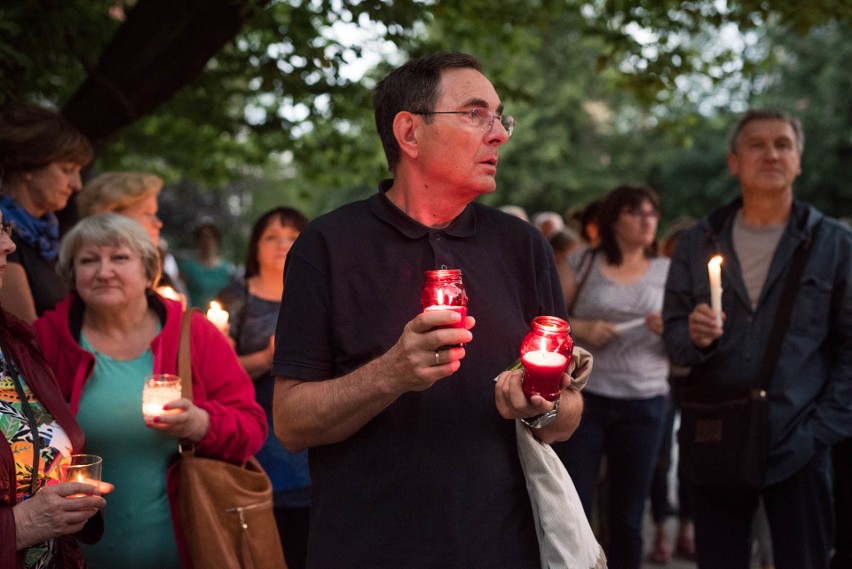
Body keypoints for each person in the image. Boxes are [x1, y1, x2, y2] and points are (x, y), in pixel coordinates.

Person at [272, 52, 588, 568]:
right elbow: (289, 423)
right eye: (474, 114)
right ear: (409, 133)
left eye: (499, 116)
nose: (500, 134)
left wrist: (542, 403)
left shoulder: (522, 246)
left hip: (502, 547)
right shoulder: (328, 245)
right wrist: (391, 373)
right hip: (367, 547)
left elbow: (565, 417)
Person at [662, 109, 852, 568]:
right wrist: (694, 335)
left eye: (783, 144)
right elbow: (674, 338)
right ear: (734, 162)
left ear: (799, 160)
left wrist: (820, 429)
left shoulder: (832, 243)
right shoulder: (698, 241)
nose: (771, 153)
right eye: (757, 144)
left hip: (799, 438)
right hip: (718, 436)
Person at [33, 213, 267, 569]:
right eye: (88, 260)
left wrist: (201, 424)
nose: (103, 271)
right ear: (71, 275)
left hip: (184, 546)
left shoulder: (195, 335)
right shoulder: (45, 339)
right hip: (74, 553)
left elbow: (252, 427)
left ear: (148, 271)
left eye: (119, 258)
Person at [552, 184, 669, 569]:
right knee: (576, 507)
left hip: (645, 402)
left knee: (627, 515)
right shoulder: (582, 263)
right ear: (614, 218)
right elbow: (549, 319)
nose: (647, 220)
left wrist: (670, 329)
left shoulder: (668, 271)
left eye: (652, 213)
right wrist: (582, 327)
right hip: (587, 401)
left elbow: (689, 336)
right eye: (637, 212)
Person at [0, 209, 109, 568]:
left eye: (5, 227)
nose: (9, 244)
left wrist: (67, 502)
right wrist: (19, 525)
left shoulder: (16, 343)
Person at [216, 206, 310, 569]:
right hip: (255, 431)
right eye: (272, 236)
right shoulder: (234, 299)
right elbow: (216, 374)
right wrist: (266, 359)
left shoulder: (317, 293)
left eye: (292, 236)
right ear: (255, 245)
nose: (282, 244)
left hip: (307, 433)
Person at [0, 103, 94, 324]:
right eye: (67, 170)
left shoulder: (46, 237)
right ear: (30, 167)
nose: (77, 184)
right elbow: (28, 335)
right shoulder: (5, 239)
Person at [648, 216, 697, 564]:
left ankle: (688, 527)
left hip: (696, 378)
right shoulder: (657, 279)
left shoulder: (710, 285)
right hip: (659, 378)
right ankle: (662, 529)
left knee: (693, 457)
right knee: (660, 459)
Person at [76, 171, 186, 294]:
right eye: (148, 213)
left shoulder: (161, 275)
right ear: (111, 217)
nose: (158, 223)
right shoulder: (87, 279)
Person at [178, 222, 236, 310]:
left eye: (211, 237)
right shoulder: (188, 268)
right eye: (203, 237)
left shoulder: (228, 269)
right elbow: (180, 293)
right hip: (195, 318)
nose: (208, 241)